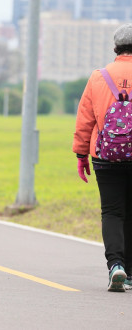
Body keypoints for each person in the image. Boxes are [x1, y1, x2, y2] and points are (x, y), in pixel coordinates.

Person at [73, 23, 132, 292]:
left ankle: (116, 265)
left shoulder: (99, 77)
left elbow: (85, 119)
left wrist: (81, 154)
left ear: (116, 48)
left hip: (106, 154)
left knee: (112, 211)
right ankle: (129, 273)